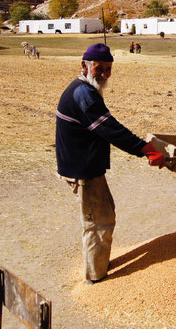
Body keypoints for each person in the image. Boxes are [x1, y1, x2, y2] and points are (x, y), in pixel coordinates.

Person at [55, 43, 166, 284]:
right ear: (84, 66)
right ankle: (96, 277)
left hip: (86, 165)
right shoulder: (83, 94)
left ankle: (100, 262)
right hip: (82, 169)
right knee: (98, 222)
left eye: (108, 68)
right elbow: (109, 129)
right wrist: (144, 149)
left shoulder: (85, 89)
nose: (104, 74)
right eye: (99, 68)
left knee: (105, 214)